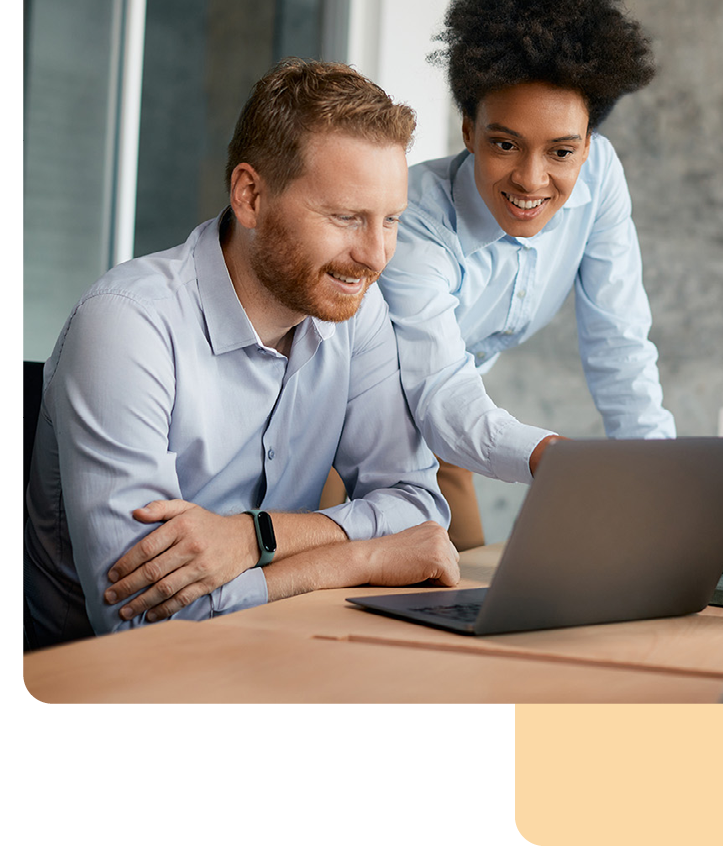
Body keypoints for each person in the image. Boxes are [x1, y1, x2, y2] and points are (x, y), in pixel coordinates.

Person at [24, 59, 458, 650]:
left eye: (391, 221)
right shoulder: (127, 324)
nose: (376, 255)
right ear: (250, 195)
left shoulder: (357, 307)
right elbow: (140, 621)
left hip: (276, 652)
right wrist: (358, 559)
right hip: (106, 687)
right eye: (345, 218)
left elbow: (417, 506)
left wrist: (253, 539)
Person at [378, 0, 676, 549]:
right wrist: (549, 457)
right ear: (469, 130)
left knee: (462, 596)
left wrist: (661, 478)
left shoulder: (600, 177)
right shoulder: (413, 219)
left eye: (562, 151)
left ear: (587, 146)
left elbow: (620, 343)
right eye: (505, 144)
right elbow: (436, 388)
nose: (532, 179)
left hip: (453, 429)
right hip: (349, 432)